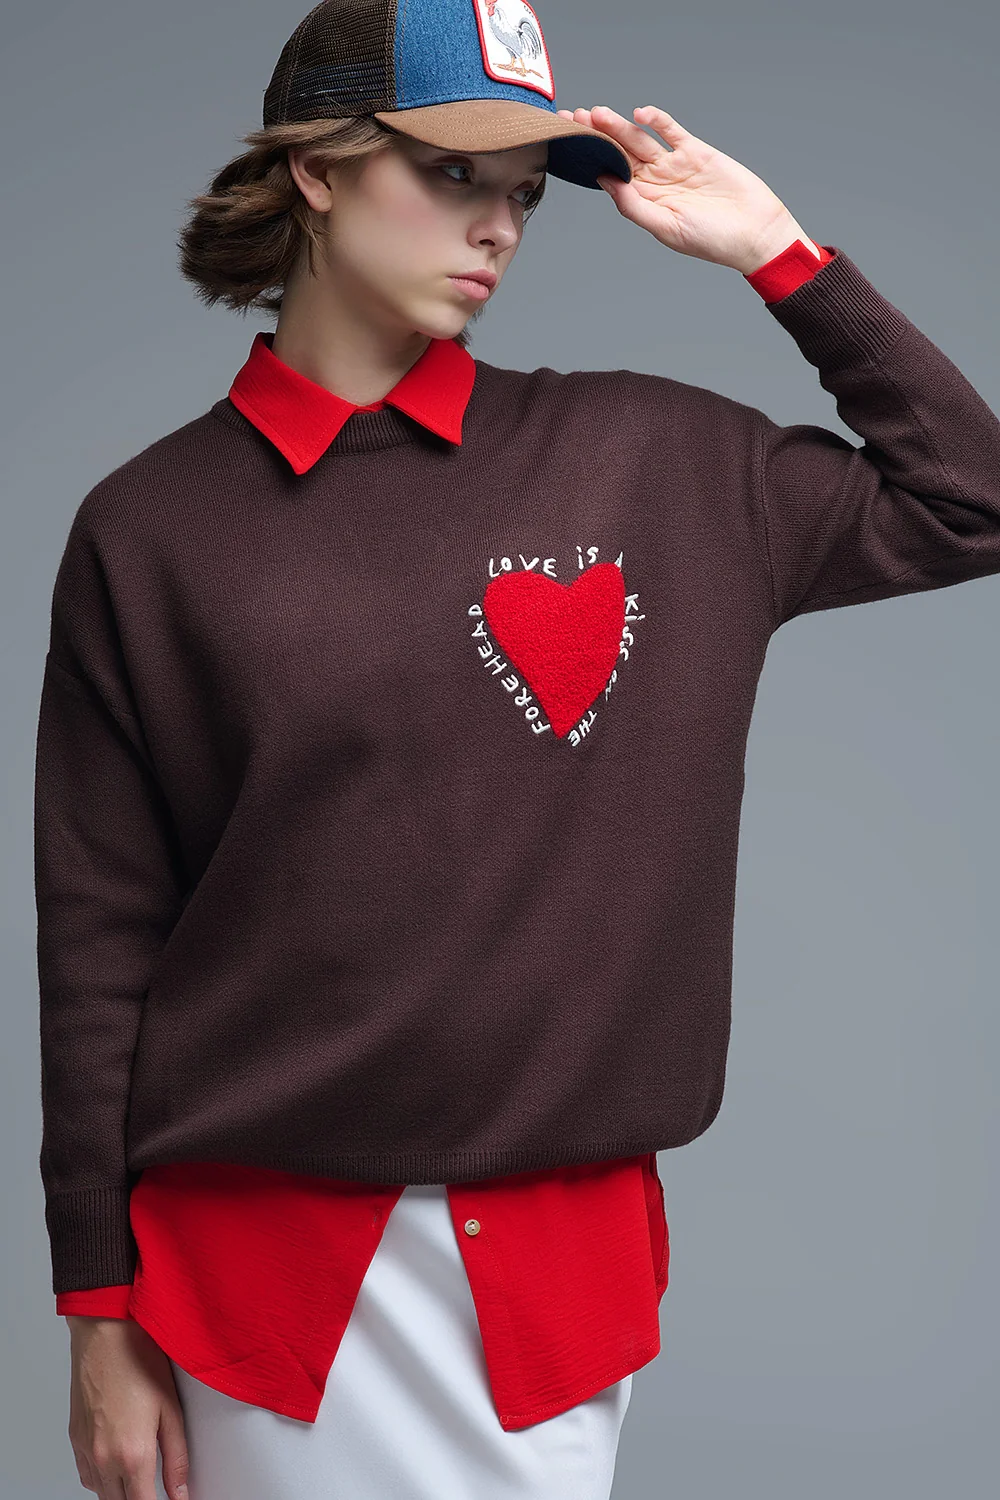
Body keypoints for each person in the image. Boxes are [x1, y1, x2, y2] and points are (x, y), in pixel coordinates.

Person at [33, 3, 1000, 1499]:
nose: (498, 227)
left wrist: (780, 255)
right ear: (318, 171)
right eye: (453, 175)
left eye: (526, 195)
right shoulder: (151, 528)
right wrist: (97, 1310)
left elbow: (970, 499)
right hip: (261, 1272)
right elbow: (101, 938)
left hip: (555, 1276)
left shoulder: (660, 463)